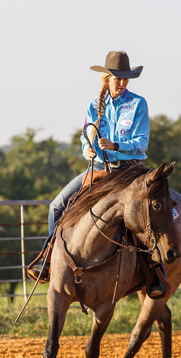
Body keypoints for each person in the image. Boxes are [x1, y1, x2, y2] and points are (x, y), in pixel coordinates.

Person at [30, 51, 164, 297]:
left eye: (126, 79)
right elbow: (85, 136)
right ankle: (48, 262)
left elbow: (142, 142)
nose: (122, 83)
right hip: (99, 170)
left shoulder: (137, 104)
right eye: (117, 78)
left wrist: (116, 146)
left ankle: (155, 272)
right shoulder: (94, 105)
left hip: (128, 171)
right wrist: (87, 150)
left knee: (142, 217)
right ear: (107, 78)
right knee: (56, 206)